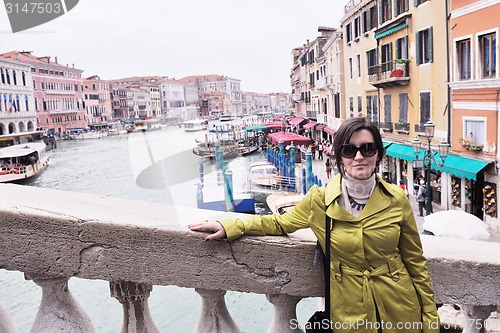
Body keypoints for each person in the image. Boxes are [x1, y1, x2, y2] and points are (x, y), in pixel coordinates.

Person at [189, 117, 439, 333]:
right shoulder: (319, 200)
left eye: (368, 148)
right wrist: (231, 225)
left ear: (379, 154)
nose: (359, 156)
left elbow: (415, 262)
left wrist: (429, 319)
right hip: (349, 311)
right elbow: (278, 223)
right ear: (340, 156)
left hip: (400, 306)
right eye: (349, 151)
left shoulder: (397, 199)